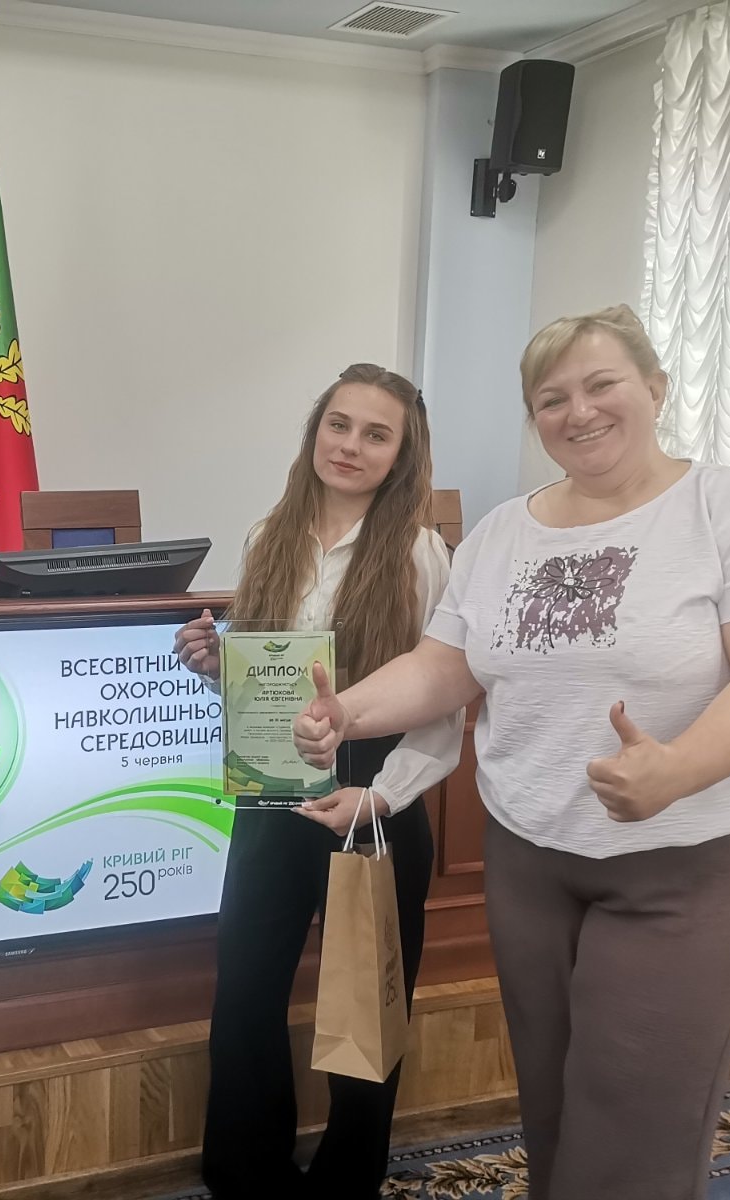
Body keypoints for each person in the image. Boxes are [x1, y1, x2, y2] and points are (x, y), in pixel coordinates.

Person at [293, 306, 730, 1200]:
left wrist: (678, 769)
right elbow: (445, 665)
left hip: (691, 860)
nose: (577, 412)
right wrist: (344, 712)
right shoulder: (504, 532)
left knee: (633, 1121)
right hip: (531, 857)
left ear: (654, 388)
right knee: (551, 1105)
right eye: (551, 399)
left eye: (601, 385)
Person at [175, 363, 463, 1199]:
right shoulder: (269, 534)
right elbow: (272, 681)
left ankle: (346, 1182)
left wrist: (383, 795)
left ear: (402, 454)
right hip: (271, 795)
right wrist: (217, 666)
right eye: (339, 424)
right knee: (246, 992)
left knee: (363, 1013)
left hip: (373, 799)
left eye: (376, 434)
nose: (350, 445)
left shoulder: (420, 554)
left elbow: (442, 696)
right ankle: (247, 1174)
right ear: (315, 431)